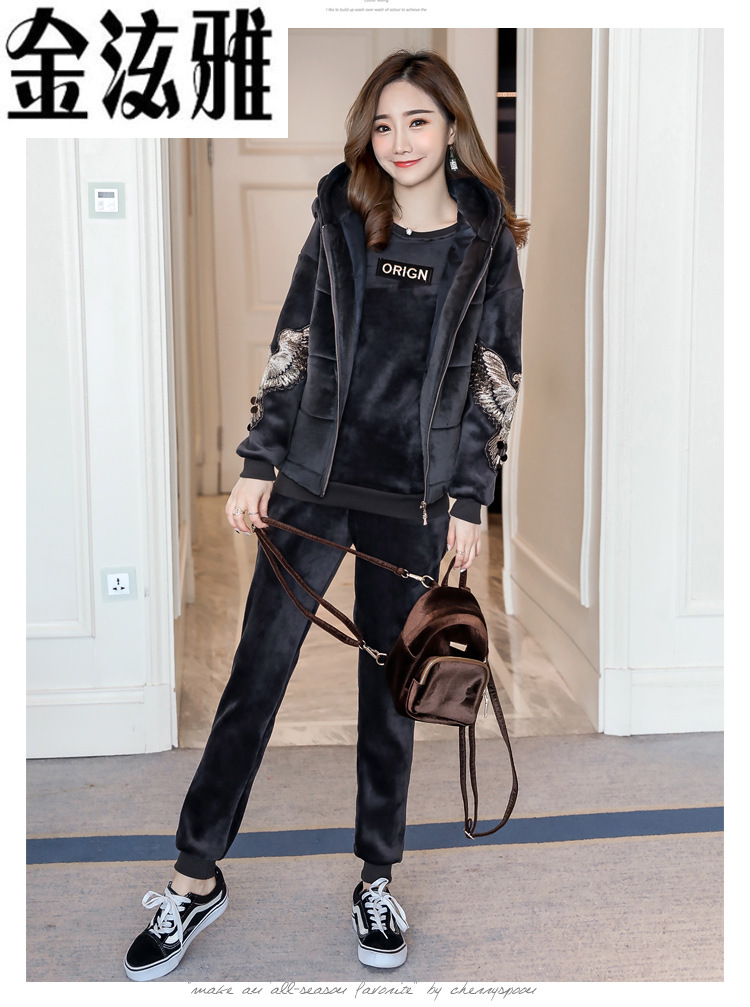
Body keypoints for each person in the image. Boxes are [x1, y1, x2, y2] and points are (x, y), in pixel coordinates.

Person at [124, 49, 527, 982]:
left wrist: (471, 498)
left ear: (452, 127)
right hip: (312, 482)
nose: (399, 141)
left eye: (417, 121)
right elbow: (296, 339)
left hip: (414, 497)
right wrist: (258, 462)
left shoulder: (484, 241)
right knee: (256, 674)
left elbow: (495, 376)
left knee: (392, 691)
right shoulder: (342, 216)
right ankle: (193, 877)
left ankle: (376, 879)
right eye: (383, 124)